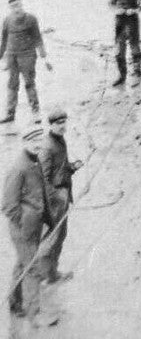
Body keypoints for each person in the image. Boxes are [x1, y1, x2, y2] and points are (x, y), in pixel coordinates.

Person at [3, 127, 52, 323]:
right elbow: (8, 205)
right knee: (32, 268)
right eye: (33, 142)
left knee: (22, 263)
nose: (38, 145)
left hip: (33, 225)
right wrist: (23, 224)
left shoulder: (35, 160)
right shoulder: (18, 168)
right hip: (23, 229)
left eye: (40, 141)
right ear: (24, 143)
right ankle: (35, 314)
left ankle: (15, 303)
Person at [38, 108, 81, 284]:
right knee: (53, 237)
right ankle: (49, 275)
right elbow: (44, 179)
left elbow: (59, 168)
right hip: (55, 199)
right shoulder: (47, 146)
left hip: (62, 193)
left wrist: (72, 167)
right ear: (51, 125)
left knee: (60, 236)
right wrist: (57, 198)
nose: (62, 126)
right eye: (58, 123)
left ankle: (50, 272)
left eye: (64, 122)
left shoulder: (59, 140)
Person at [1, 0, 52, 123]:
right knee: (12, 85)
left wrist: (45, 58)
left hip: (27, 56)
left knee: (29, 83)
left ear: (22, 5)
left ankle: (35, 113)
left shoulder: (31, 19)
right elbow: (4, 40)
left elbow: (38, 38)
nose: (16, 9)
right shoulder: (7, 20)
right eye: (13, 7)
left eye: (18, 5)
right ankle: (10, 114)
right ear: (10, 8)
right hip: (12, 56)